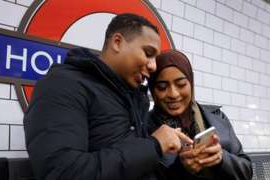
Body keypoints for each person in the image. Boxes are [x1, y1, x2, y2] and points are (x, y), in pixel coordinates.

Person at [23, 14, 193, 180]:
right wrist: (154, 145)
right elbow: (60, 172)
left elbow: (140, 168)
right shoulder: (62, 85)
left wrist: (183, 166)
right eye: (148, 53)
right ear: (117, 42)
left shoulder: (135, 98)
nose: (153, 66)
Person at [147, 49, 253, 180]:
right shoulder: (144, 129)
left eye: (181, 84)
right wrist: (181, 170)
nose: (173, 94)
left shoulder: (218, 117)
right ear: (152, 89)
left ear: (191, 84)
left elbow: (246, 171)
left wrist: (221, 158)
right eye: (162, 87)